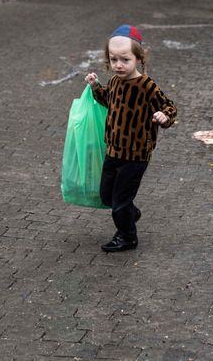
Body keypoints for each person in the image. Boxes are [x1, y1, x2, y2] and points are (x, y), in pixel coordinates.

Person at [85, 24, 177, 253]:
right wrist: (96, 86)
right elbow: (107, 99)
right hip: (113, 151)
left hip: (136, 156)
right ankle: (130, 213)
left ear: (138, 58)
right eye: (113, 59)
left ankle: (127, 237)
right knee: (107, 196)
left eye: (124, 59)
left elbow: (170, 107)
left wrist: (163, 116)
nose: (118, 65)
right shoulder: (116, 82)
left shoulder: (147, 86)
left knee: (119, 204)